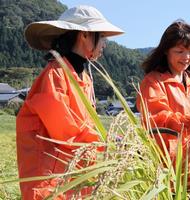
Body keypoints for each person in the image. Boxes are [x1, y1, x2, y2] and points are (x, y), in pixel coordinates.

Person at [16, 5, 124, 199]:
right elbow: (65, 130)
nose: (105, 44)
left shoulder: (84, 77)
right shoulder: (55, 74)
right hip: (49, 180)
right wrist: (106, 140)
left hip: (75, 176)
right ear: (84, 35)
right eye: (102, 37)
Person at [136, 20, 190, 184]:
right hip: (166, 165)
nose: (186, 57)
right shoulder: (153, 82)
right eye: (180, 51)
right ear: (165, 51)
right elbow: (159, 118)